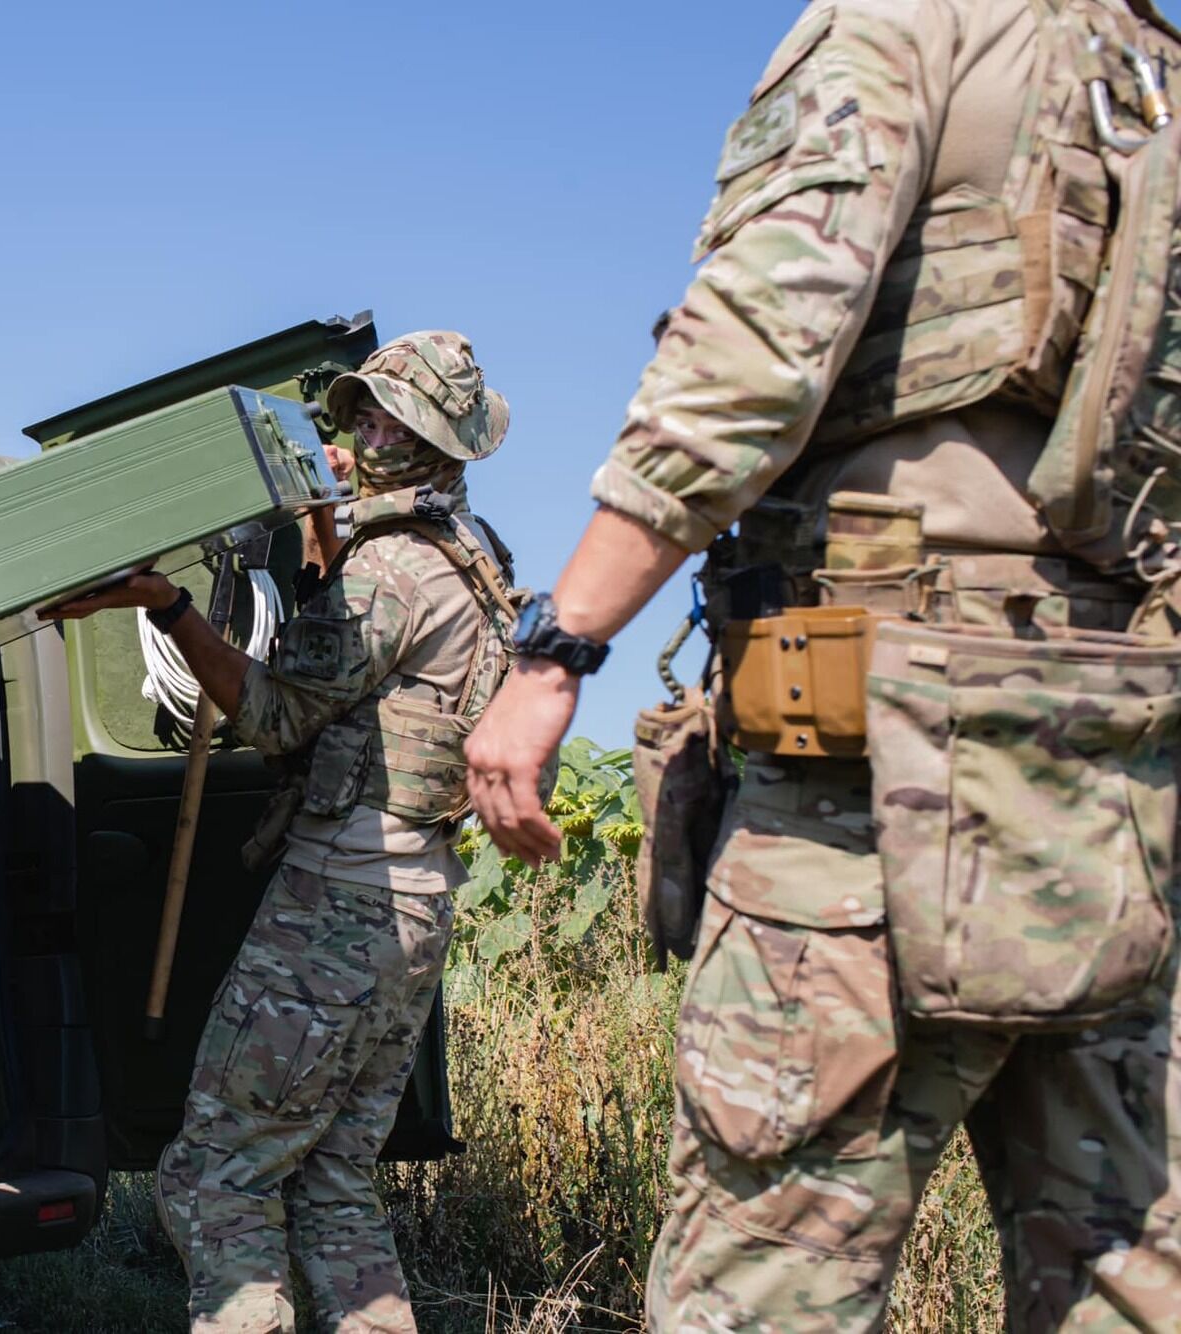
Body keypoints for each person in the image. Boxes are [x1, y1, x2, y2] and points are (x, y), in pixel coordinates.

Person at [463, 1, 1181, 1329]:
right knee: (1125, 1273)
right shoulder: (1153, 78)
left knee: (766, 1268)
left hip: (878, 780)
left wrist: (562, 645)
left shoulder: (914, 22)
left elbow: (752, 353)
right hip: (1120, 782)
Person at [44, 330, 518, 1332]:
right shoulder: (474, 562)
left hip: (336, 909)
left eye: (378, 419)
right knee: (336, 1185)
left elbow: (269, 715)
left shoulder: (387, 572)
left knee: (215, 1176)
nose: (355, 435)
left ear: (425, 441)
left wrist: (168, 606)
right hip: (413, 903)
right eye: (354, 414)